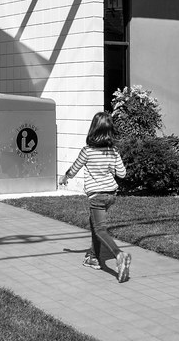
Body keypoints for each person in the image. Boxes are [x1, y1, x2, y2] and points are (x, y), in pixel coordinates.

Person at [59, 110, 131, 282]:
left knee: (100, 229)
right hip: (111, 195)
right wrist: (112, 166)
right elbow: (122, 174)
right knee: (94, 225)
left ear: (93, 129)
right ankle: (93, 257)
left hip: (97, 196)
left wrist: (65, 177)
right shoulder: (113, 151)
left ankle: (119, 255)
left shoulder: (88, 151)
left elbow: (75, 168)